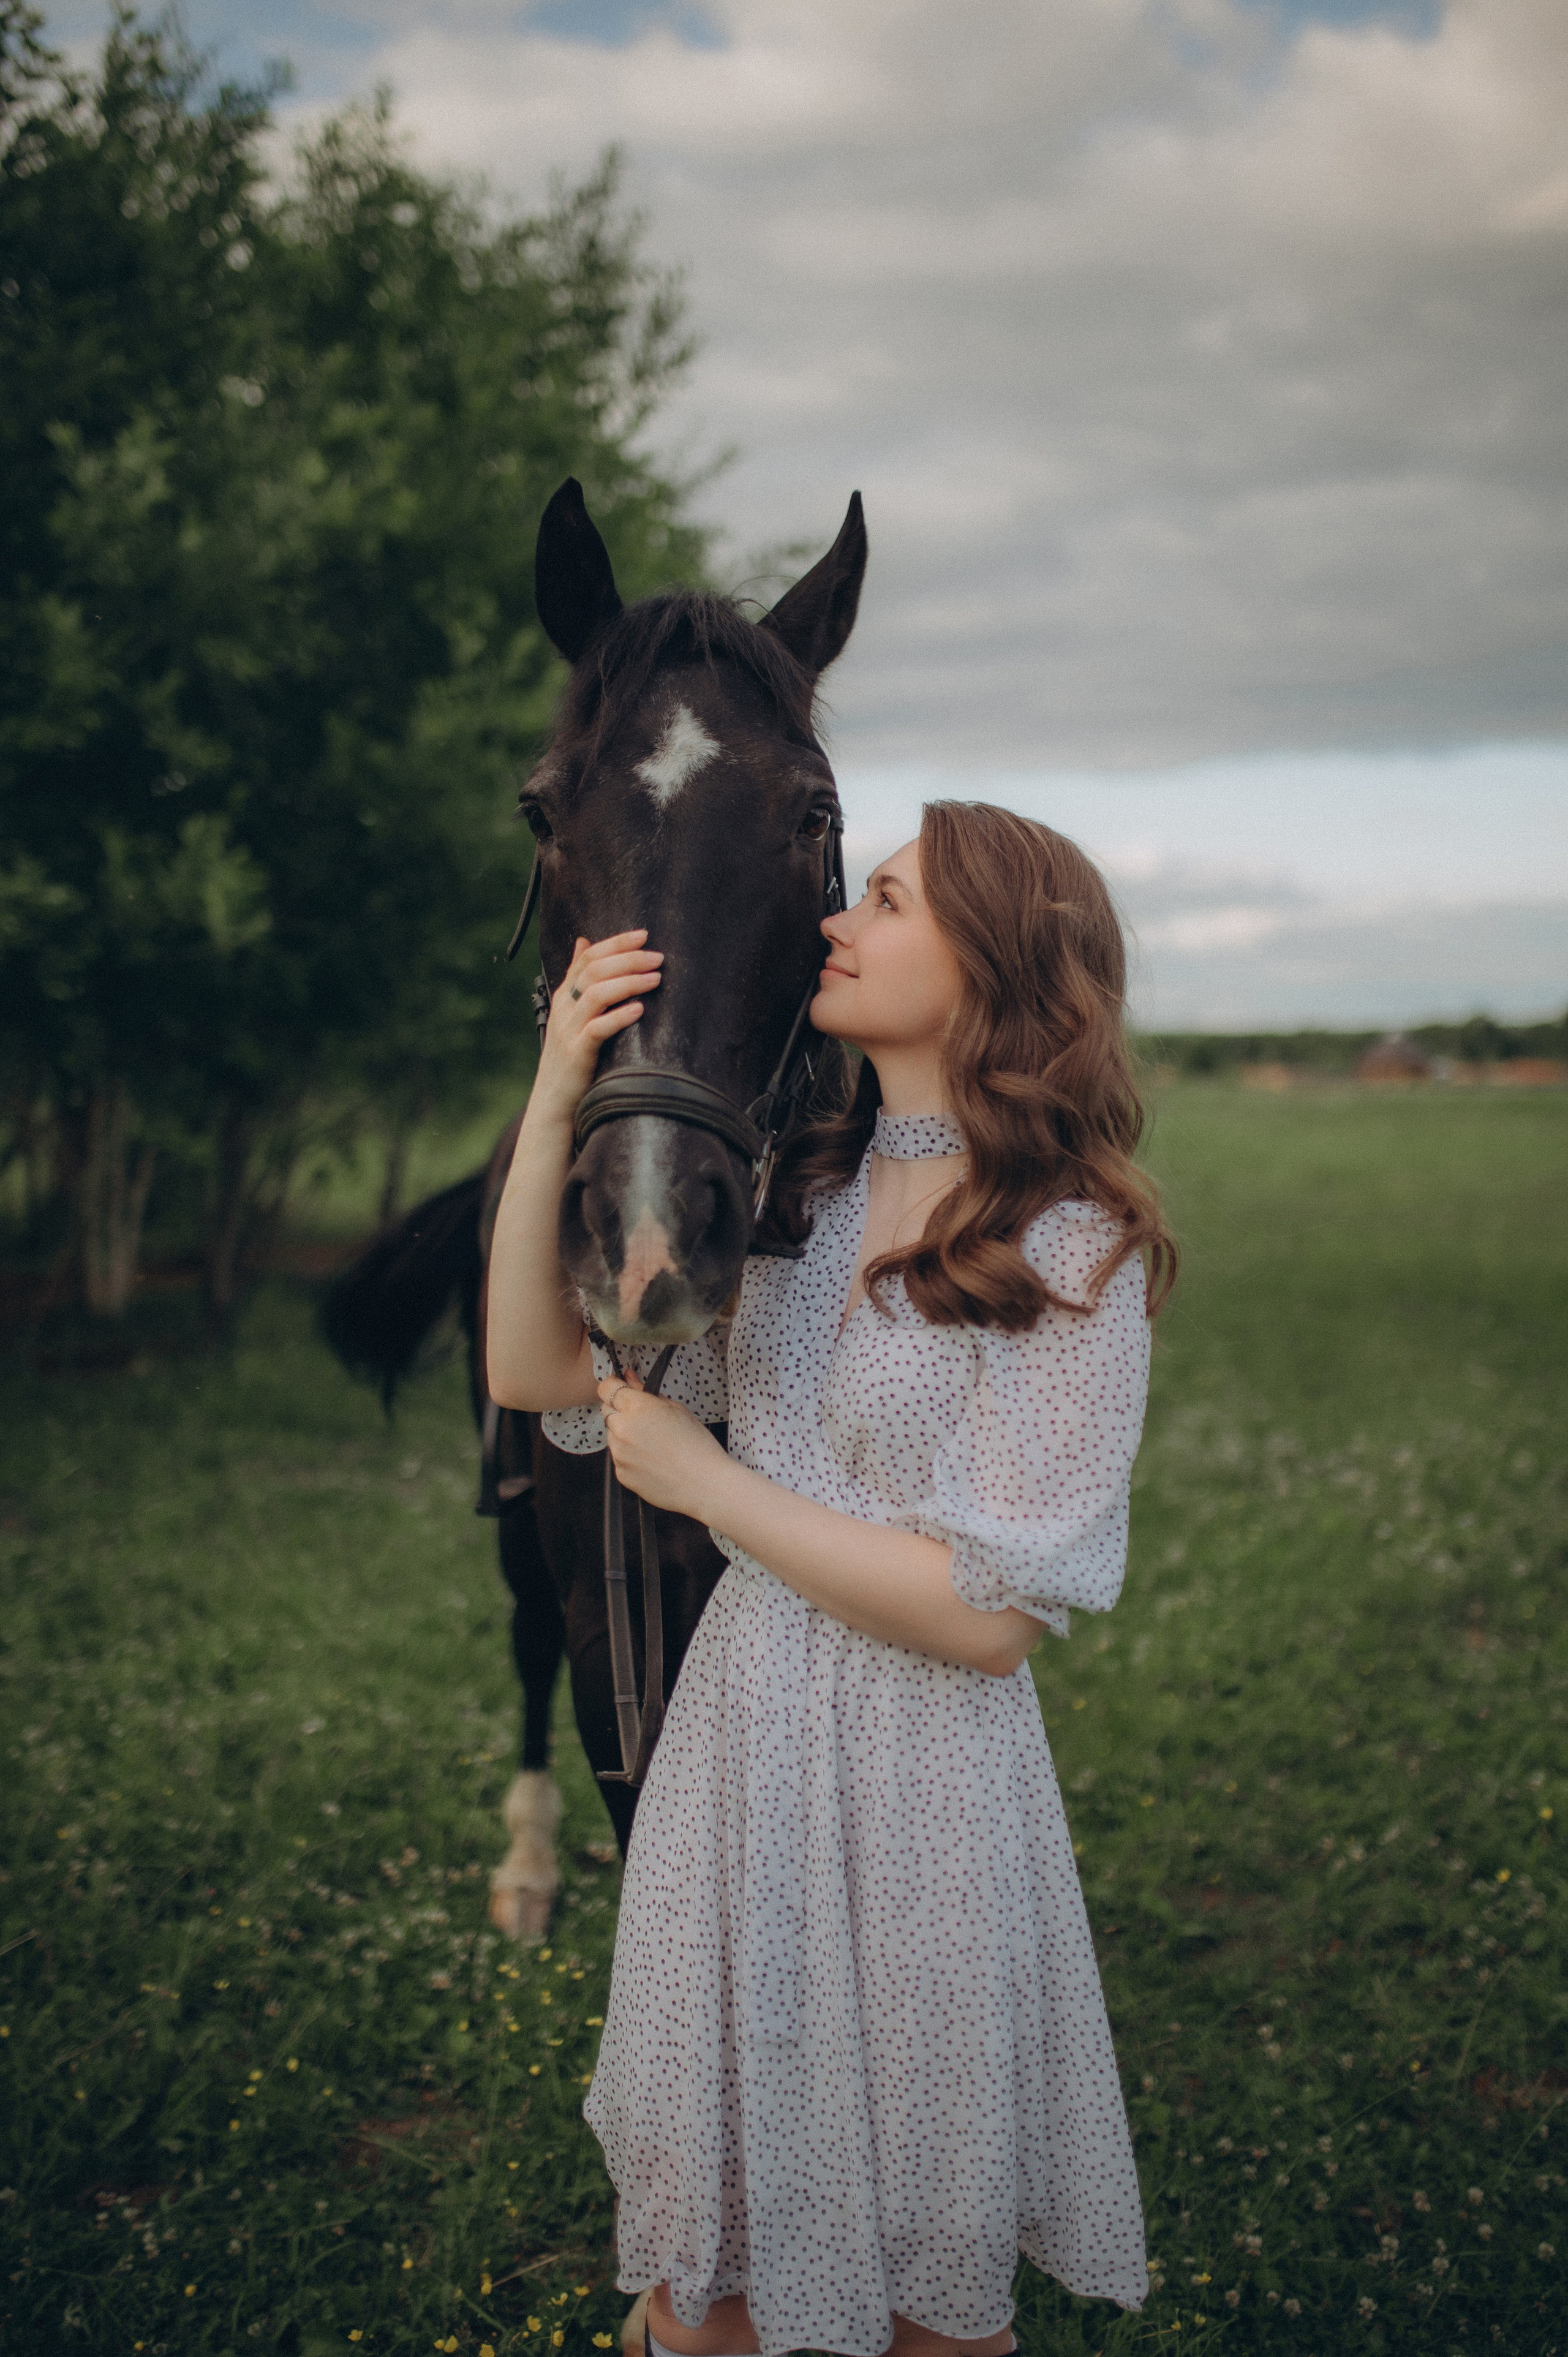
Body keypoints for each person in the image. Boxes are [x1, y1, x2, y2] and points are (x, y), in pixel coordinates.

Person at [486, 800, 1177, 2357]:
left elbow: (988, 1622)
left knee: (934, 2307)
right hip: (739, 1765)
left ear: (995, 959)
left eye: (883, 900)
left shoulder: (1073, 1247)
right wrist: (555, 1095)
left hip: (928, 1794)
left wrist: (714, 1485)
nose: (834, 925)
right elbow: (533, 1372)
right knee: (707, 2292)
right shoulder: (788, 1204)